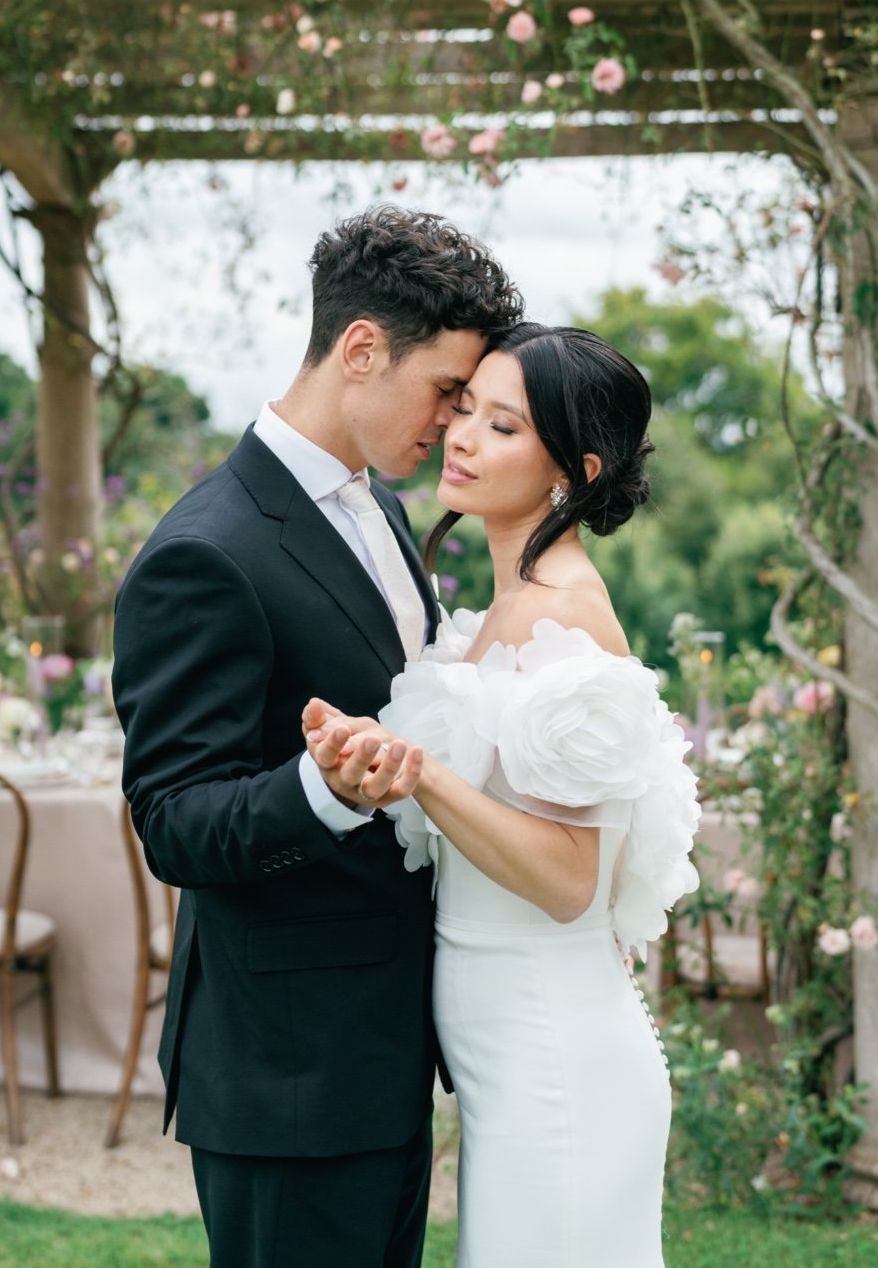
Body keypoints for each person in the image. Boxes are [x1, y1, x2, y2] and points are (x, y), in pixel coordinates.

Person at [112, 207, 523, 1268]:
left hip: (385, 1052)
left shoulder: (380, 508)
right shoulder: (205, 553)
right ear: (360, 349)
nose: (455, 420)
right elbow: (174, 820)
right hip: (285, 1076)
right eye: (446, 389)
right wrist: (326, 787)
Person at [304, 323, 701, 1268]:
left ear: (577, 468)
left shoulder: (563, 615)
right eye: (466, 411)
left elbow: (571, 882)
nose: (465, 438)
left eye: (505, 426)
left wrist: (422, 771)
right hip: (504, 1058)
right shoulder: (503, 613)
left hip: (554, 1058)